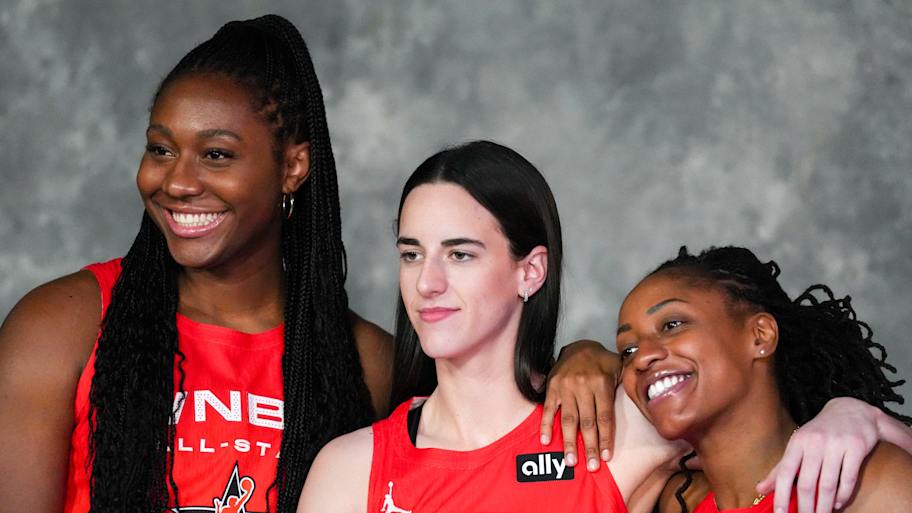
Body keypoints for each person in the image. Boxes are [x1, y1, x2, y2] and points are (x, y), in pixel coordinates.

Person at [0, 14, 639, 513]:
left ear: (293, 167)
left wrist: (585, 357)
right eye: (161, 149)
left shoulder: (364, 361)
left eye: (216, 155)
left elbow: (488, 440)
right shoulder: (67, 323)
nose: (177, 181)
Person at [297, 142, 906, 513]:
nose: (425, 283)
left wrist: (850, 413)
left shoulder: (618, 431)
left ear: (530, 271)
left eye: (460, 254)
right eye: (410, 254)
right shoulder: (350, 469)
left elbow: (748, 404)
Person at [616, 246, 912, 513]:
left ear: (760, 335)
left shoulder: (863, 484)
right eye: (627, 350)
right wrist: (581, 353)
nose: (641, 358)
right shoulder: (675, 502)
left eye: (672, 324)